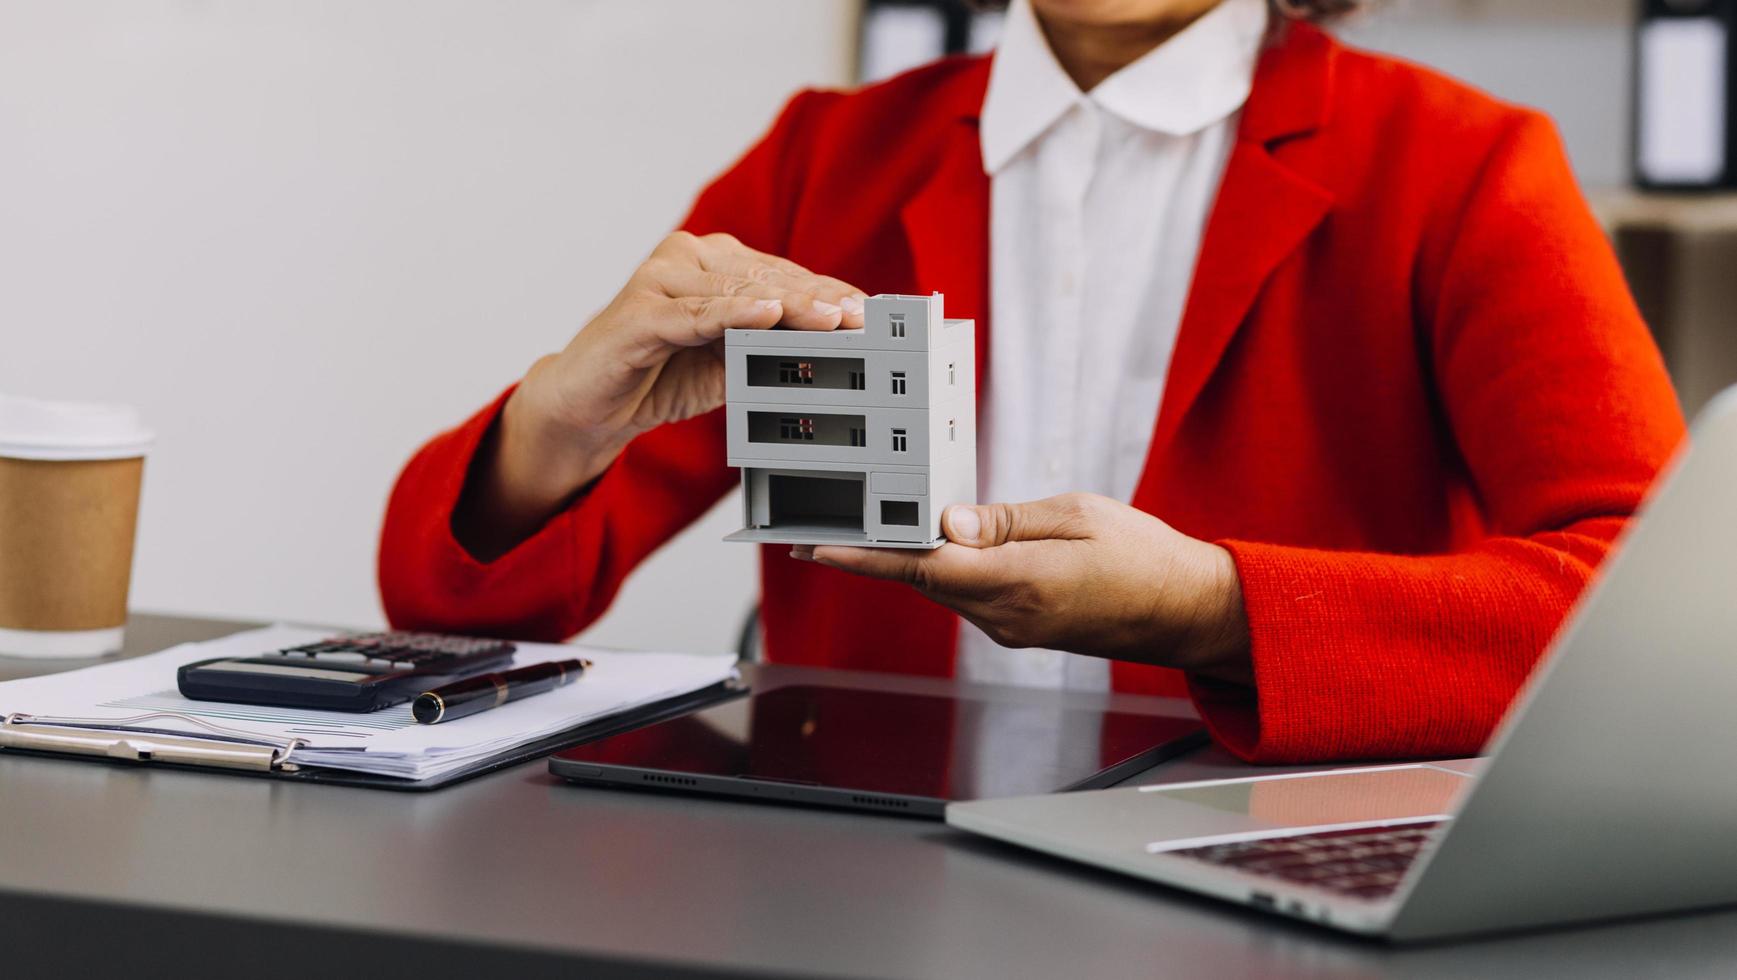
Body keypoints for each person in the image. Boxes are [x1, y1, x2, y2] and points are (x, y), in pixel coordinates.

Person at [378, 0, 1684, 763]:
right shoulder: (824, 159)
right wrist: (555, 418)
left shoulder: (1458, 166)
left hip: (1267, 893)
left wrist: (1214, 611)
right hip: (863, 900)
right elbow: (453, 605)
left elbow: (1649, 624)